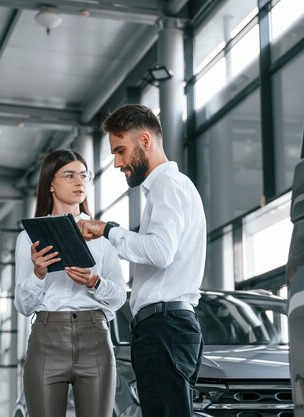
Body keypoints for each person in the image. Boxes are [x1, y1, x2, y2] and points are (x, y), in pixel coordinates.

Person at [77, 104, 207, 417]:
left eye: (120, 151)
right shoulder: (169, 189)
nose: (118, 163)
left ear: (145, 141)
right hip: (166, 328)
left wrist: (108, 230)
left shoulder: (167, 185)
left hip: (164, 328)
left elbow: (160, 252)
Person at [14, 148, 126, 417]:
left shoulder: (101, 232)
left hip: (96, 337)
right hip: (46, 338)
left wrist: (95, 282)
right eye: (70, 175)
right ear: (51, 184)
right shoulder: (29, 238)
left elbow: (119, 297)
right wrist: (38, 274)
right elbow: (23, 305)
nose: (80, 182)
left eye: (84, 176)